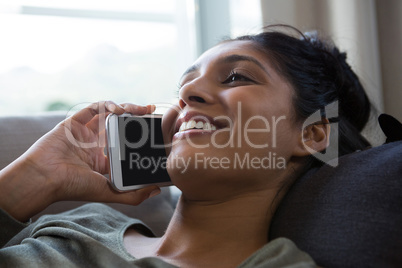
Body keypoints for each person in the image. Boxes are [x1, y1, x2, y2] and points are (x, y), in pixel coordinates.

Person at [0, 25, 371, 267]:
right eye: (185, 84)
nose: (187, 94)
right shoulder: (80, 225)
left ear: (312, 135)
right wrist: (31, 179)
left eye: (236, 76)